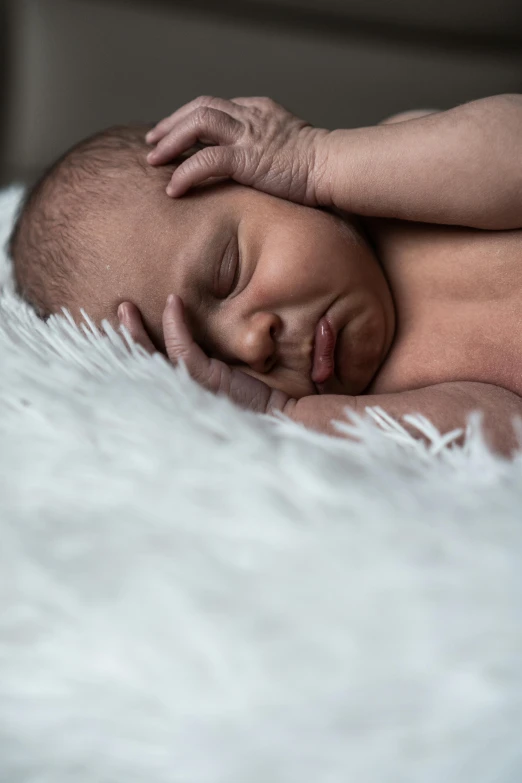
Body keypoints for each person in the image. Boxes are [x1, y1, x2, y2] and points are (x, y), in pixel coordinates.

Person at [9, 95, 522, 457]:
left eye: (229, 273)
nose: (253, 343)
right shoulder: (375, 401)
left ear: (254, 176)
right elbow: (503, 435)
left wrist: (318, 158)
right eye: (210, 359)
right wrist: (289, 416)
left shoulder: (392, 178)